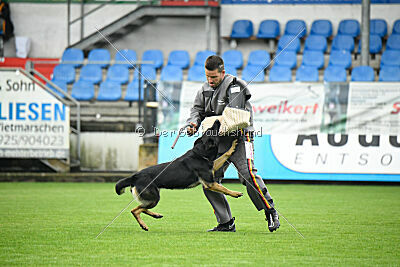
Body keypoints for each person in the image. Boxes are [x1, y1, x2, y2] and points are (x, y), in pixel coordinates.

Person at [186, 55, 280, 232]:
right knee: (209, 180)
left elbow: (234, 115)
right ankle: (226, 222)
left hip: (240, 137)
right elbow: (197, 110)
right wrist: (193, 123)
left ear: (223, 72)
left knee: (248, 175)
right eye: (207, 76)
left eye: (213, 77)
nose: (210, 80)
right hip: (217, 141)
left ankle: (270, 210)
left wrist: (207, 123)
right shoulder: (204, 89)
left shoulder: (235, 86)